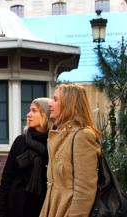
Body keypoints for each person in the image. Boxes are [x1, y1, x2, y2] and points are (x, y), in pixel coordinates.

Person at [39, 83, 101, 217]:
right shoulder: (60, 135)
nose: (50, 104)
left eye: (55, 100)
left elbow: (85, 191)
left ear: (70, 104)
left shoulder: (82, 136)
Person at [0, 98, 51, 217]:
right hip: (16, 206)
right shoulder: (21, 141)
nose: (28, 114)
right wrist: (1, 212)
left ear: (46, 114)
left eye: (34, 110)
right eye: (29, 110)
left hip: (42, 206)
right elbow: (7, 178)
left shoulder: (54, 143)